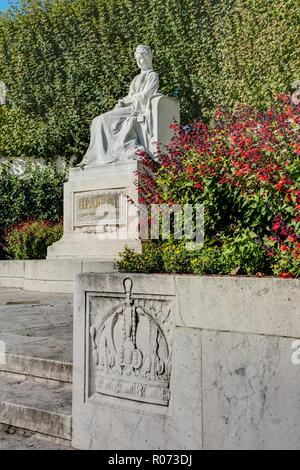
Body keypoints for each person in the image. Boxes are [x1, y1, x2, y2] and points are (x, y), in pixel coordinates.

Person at [78, 45, 160, 168]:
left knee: (103, 120)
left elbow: (146, 95)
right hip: (128, 106)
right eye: (137, 59)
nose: (139, 61)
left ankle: (105, 156)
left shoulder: (152, 76)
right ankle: (95, 158)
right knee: (97, 120)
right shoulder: (136, 78)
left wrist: (129, 100)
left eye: (141, 58)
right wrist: (123, 101)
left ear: (148, 58)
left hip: (137, 108)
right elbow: (131, 95)